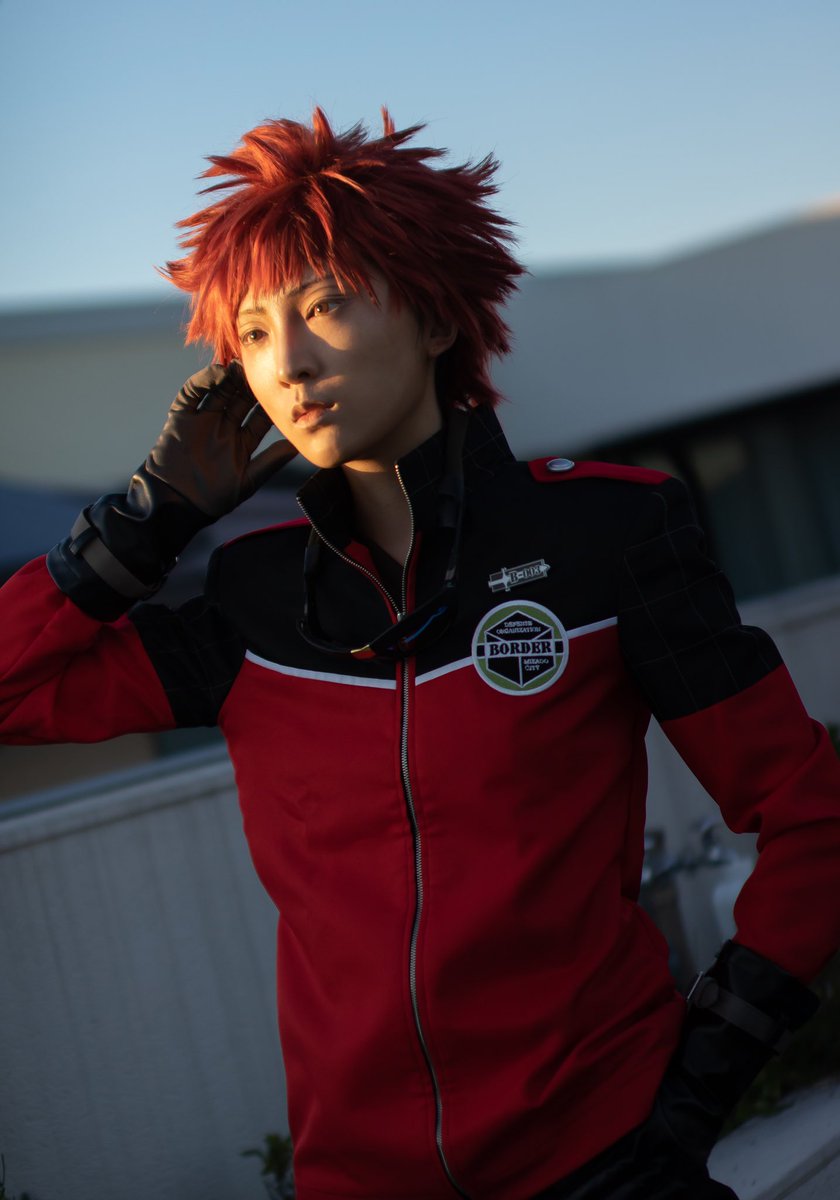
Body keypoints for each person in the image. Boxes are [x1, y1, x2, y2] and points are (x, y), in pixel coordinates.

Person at [1, 107, 839, 1200]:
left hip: (607, 1158)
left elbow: (815, 816)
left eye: (324, 306)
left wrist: (696, 1088)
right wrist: (141, 524)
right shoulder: (250, 599)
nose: (289, 362)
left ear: (437, 316)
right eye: (252, 332)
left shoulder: (609, 535)